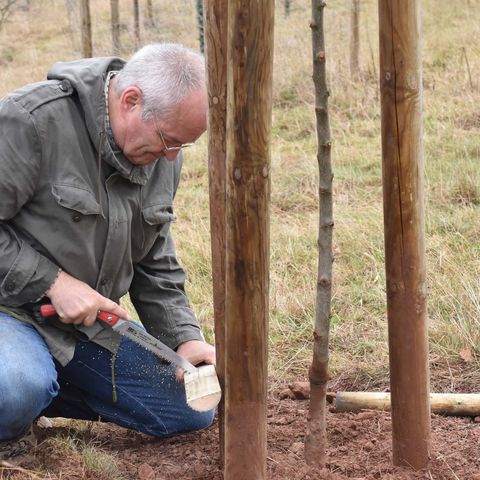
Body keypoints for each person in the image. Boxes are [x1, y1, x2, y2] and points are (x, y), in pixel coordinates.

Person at [0, 43, 216, 465]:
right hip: (10, 311)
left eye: (183, 147)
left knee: (191, 408)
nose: (172, 157)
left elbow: (154, 259)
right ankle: (17, 395)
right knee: (15, 386)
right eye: (170, 141)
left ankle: (31, 389)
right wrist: (52, 282)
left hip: (82, 330)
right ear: (131, 101)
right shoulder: (30, 122)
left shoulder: (161, 152)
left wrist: (185, 340)